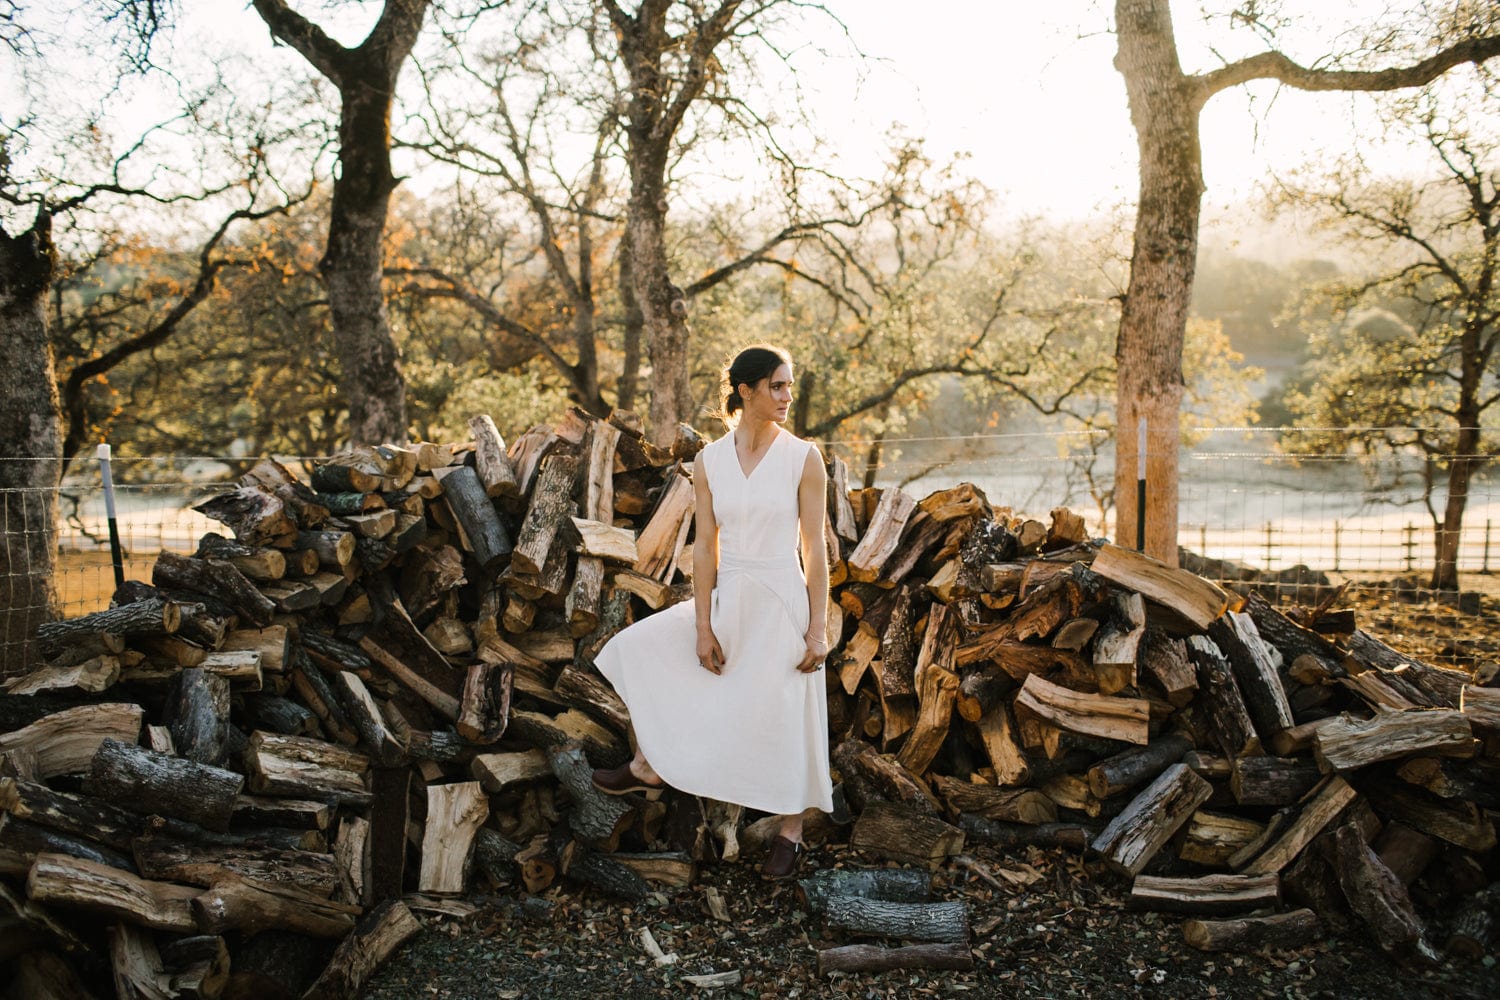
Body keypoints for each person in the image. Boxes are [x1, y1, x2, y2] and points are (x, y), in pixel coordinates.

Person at [590, 344, 835, 879]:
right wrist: (702, 626)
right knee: (645, 648)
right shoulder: (710, 461)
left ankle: (789, 835)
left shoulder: (803, 458)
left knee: (786, 711)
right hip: (732, 597)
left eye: (789, 386)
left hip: (782, 598)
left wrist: (818, 629)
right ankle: (649, 766)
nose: (787, 396)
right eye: (777, 386)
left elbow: (815, 548)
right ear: (745, 391)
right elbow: (705, 548)